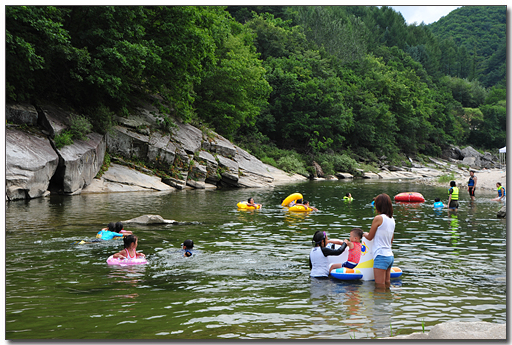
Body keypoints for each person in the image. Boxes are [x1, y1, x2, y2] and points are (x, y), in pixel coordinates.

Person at [363, 193, 395, 289]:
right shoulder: (392, 219)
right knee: (387, 284)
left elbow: (370, 237)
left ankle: (380, 303)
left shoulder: (378, 218)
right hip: (390, 256)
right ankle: (387, 302)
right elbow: (391, 240)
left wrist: (363, 234)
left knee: (379, 287)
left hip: (381, 256)